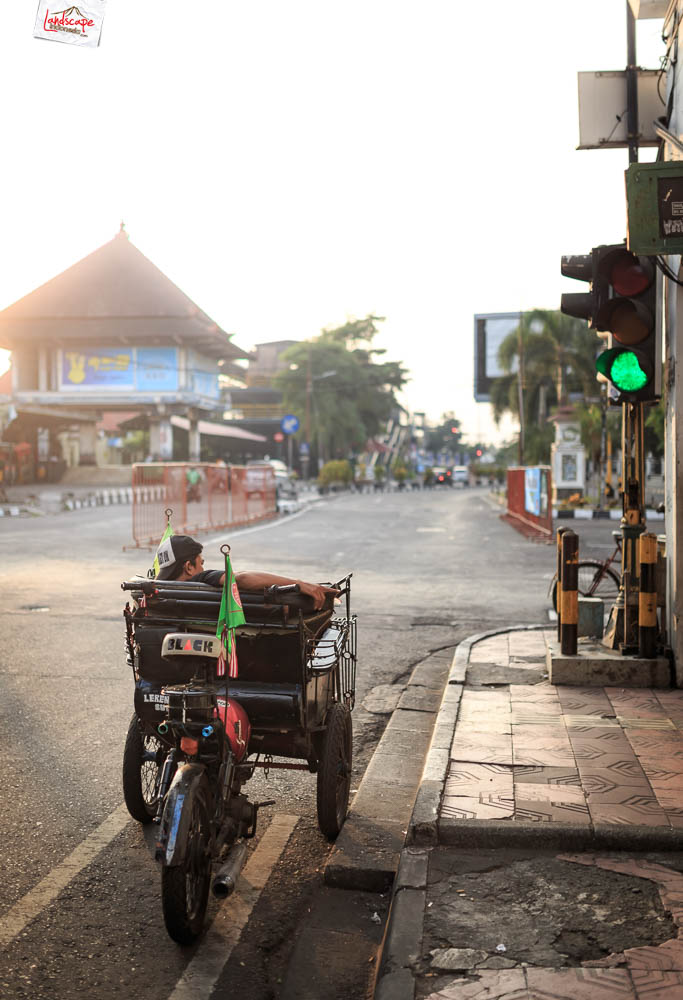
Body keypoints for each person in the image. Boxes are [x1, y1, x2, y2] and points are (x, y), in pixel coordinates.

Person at [155, 534, 337, 610]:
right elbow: (240, 579)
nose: (202, 567)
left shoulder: (153, 595)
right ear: (188, 567)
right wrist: (298, 583)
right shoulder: (201, 579)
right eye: (200, 563)